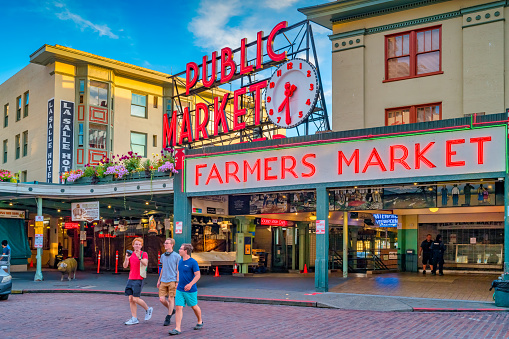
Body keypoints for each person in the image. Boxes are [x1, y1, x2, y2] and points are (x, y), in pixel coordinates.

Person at [169, 243, 203, 336]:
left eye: (180, 248)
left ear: (186, 251)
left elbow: (198, 275)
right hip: (180, 289)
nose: (179, 250)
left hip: (190, 290)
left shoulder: (193, 262)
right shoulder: (180, 261)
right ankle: (177, 328)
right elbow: (179, 272)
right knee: (179, 307)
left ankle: (200, 321)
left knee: (194, 306)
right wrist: (177, 282)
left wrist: (190, 284)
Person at [123, 237, 153, 325]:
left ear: (141, 246)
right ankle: (134, 318)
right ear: (133, 245)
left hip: (139, 278)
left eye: (139, 244)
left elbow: (145, 263)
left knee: (135, 299)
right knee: (130, 299)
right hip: (130, 278)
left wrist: (139, 257)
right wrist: (126, 258)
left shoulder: (144, 254)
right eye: (136, 244)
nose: (138, 246)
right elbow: (125, 266)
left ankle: (148, 309)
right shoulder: (130, 254)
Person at [157, 238, 181, 326]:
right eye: (164, 243)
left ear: (172, 245)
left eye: (167, 243)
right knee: (161, 299)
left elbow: (178, 270)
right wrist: (159, 280)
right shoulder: (163, 256)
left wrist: (177, 281)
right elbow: (162, 268)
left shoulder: (177, 256)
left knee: (171, 298)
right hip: (163, 280)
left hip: (172, 280)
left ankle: (168, 316)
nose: (165, 244)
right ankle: (172, 310)